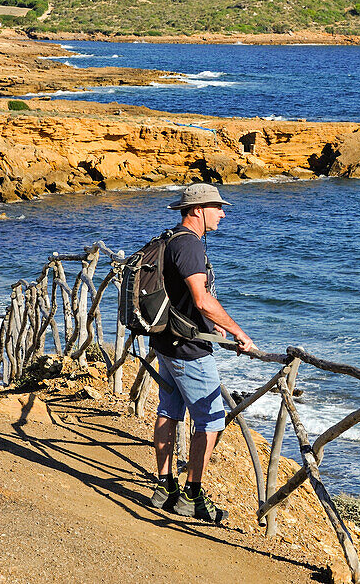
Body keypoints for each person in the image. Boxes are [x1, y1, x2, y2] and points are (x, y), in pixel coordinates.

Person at [148, 183, 257, 523]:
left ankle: (165, 486)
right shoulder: (190, 245)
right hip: (188, 350)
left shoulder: (170, 239)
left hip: (166, 342)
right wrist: (240, 333)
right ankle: (192, 496)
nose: (223, 213)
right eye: (217, 207)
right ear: (197, 210)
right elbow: (201, 298)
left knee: (169, 410)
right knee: (211, 420)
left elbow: (181, 297)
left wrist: (213, 326)